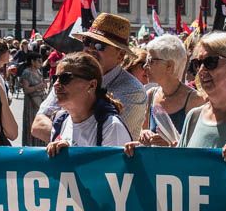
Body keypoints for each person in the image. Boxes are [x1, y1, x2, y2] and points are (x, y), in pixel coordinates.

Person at [131, 32, 226, 160]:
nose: (201, 70)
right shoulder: (194, 117)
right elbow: (180, 172)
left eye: (210, 62)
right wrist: (142, 154)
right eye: (197, 63)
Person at [32, 14, 150, 142]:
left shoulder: (132, 90)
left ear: (120, 55)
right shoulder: (69, 77)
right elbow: (38, 125)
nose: (90, 49)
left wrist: (67, 139)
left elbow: (111, 137)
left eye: (100, 45)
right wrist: (64, 139)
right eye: (87, 42)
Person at [46, 53, 132, 154]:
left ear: (91, 85)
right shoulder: (59, 121)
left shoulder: (111, 127)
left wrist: (72, 155)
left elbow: (115, 168)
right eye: (55, 78)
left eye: (65, 78)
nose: (56, 84)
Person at [142, 34, 204, 136]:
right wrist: (144, 135)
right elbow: (143, 131)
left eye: (151, 61)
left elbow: (197, 146)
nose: (145, 66)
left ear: (169, 66)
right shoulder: (151, 95)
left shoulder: (195, 100)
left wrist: (171, 142)